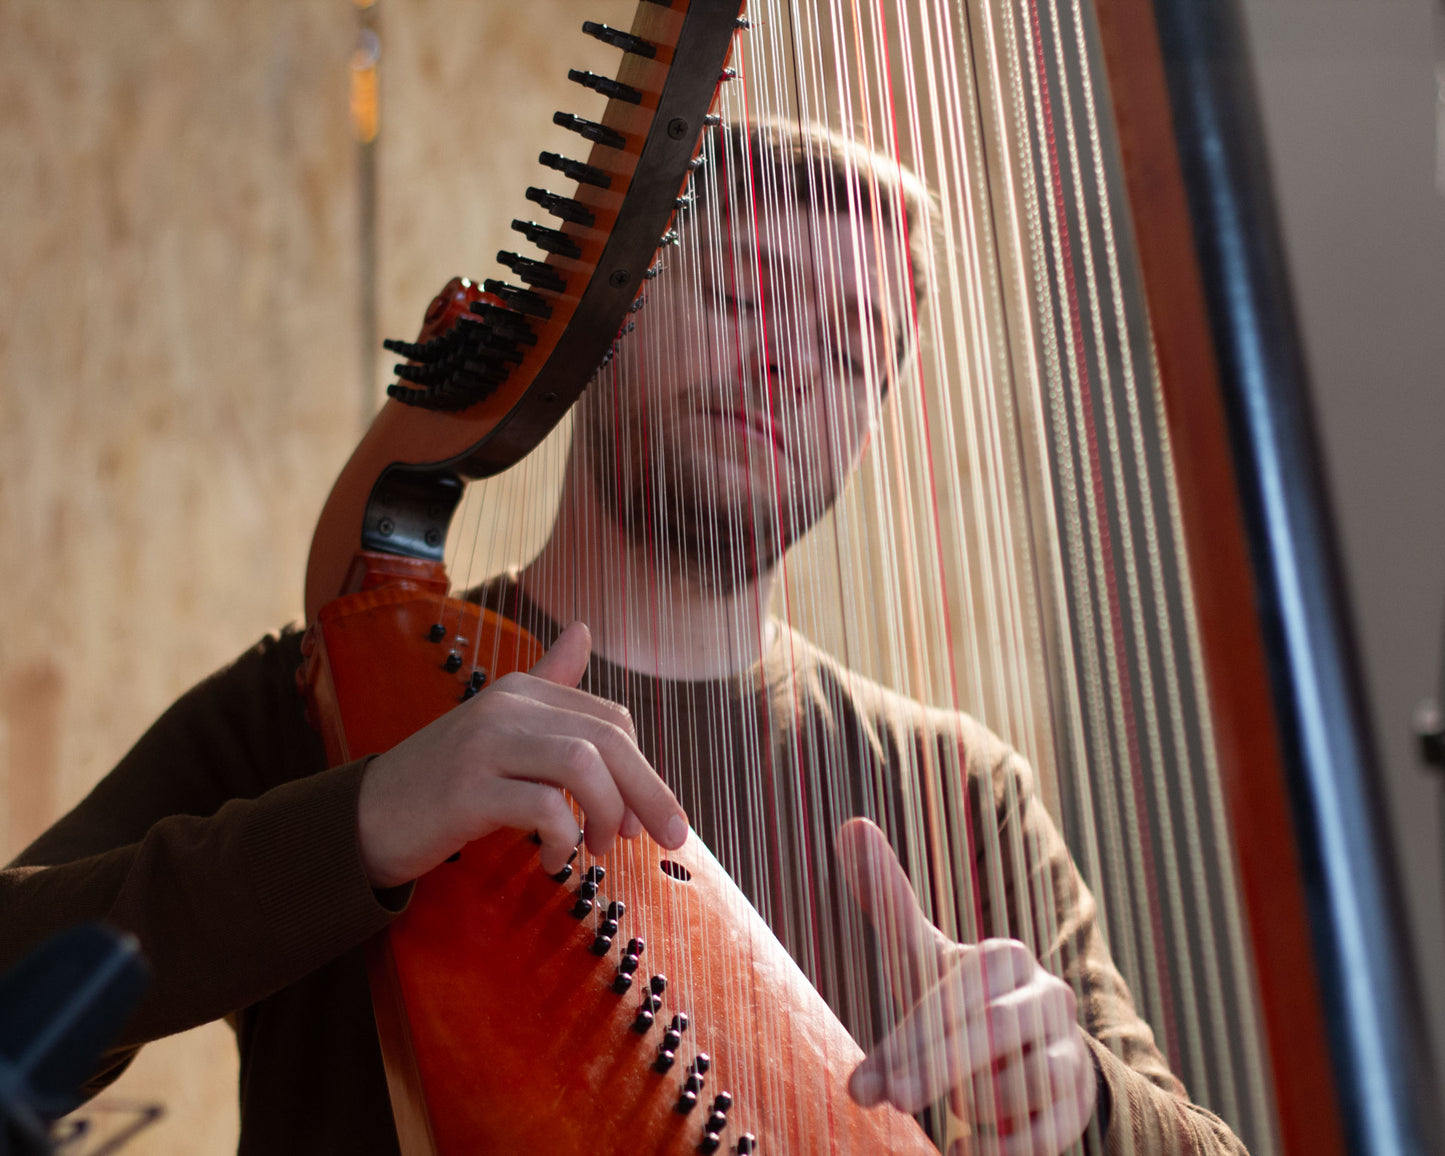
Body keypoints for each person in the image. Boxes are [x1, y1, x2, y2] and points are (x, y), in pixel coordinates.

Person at [0, 122, 1246, 1155]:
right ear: (609, 321)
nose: (785, 364)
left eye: (849, 348)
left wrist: (1080, 1098)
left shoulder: (955, 789)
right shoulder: (305, 698)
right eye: (743, 291)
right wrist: (367, 817)